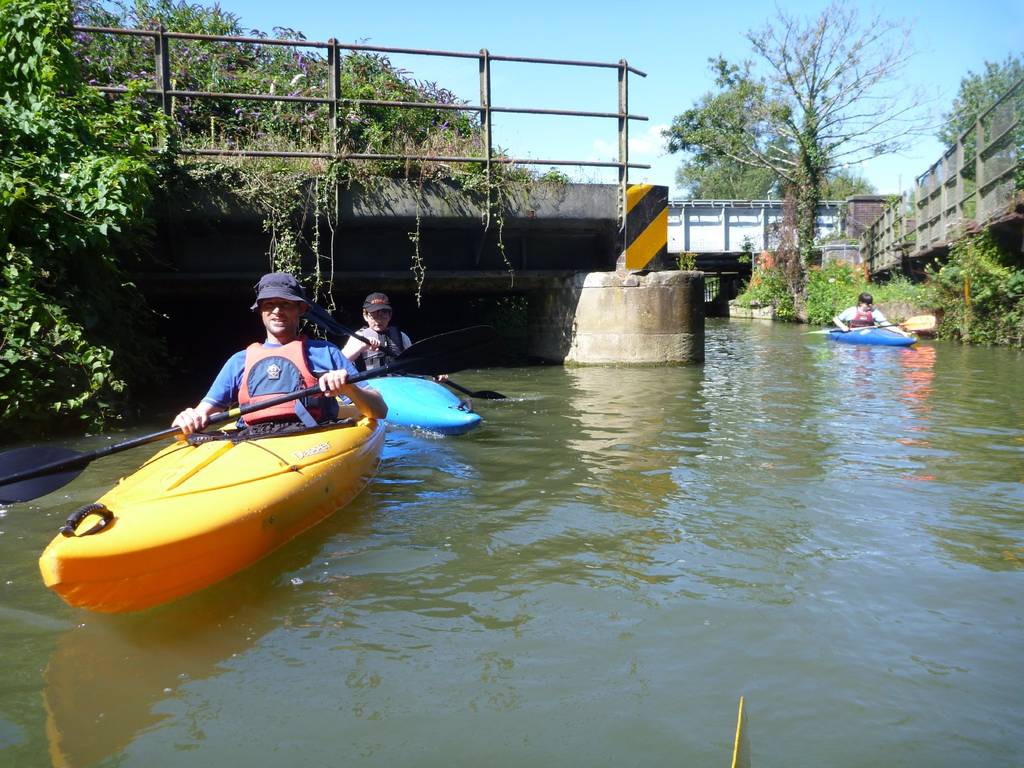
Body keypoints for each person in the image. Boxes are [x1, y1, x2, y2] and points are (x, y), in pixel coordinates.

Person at [173, 272, 387, 436]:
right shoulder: (239, 361)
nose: (277, 310)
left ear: (300, 310)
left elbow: (380, 410)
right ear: (260, 311)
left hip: (315, 438)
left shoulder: (326, 353)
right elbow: (203, 412)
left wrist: (348, 388)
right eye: (270, 304)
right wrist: (190, 417)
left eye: (285, 304)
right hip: (252, 442)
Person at [341, 292, 412, 371]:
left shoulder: (402, 336)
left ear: (390, 315)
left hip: (398, 381)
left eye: (383, 316)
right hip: (370, 382)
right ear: (365, 316)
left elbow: (412, 362)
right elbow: (340, 362)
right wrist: (361, 347)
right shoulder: (358, 337)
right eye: (374, 316)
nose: (378, 321)